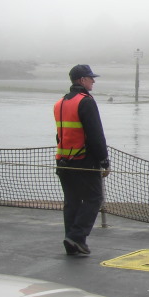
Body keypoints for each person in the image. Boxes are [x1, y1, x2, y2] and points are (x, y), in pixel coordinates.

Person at [54, 64, 110, 256]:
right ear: (81, 80)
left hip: (63, 160)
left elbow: (60, 135)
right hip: (84, 160)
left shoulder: (60, 102)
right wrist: (104, 160)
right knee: (95, 198)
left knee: (72, 201)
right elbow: (96, 134)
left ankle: (71, 239)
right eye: (90, 78)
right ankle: (77, 237)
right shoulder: (86, 101)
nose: (93, 81)